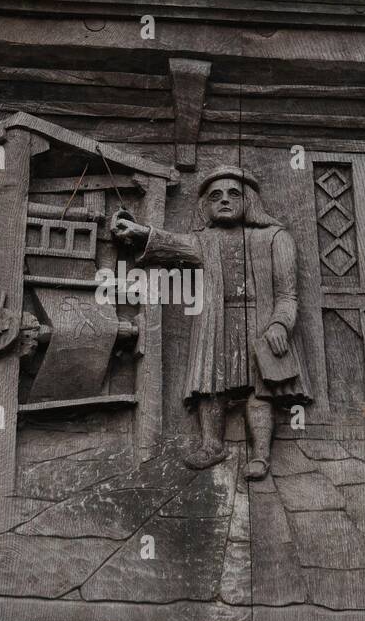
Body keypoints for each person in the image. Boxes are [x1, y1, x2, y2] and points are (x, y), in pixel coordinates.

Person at [111, 167, 311, 480]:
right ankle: (211, 445)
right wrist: (139, 232)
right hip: (216, 322)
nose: (225, 200)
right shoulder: (205, 241)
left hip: (260, 322)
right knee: (211, 385)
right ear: (206, 206)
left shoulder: (275, 238)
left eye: (234, 194)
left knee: (261, 389)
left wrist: (280, 325)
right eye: (216, 196)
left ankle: (260, 454)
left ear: (250, 201)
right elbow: (170, 243)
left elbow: (288, 296)